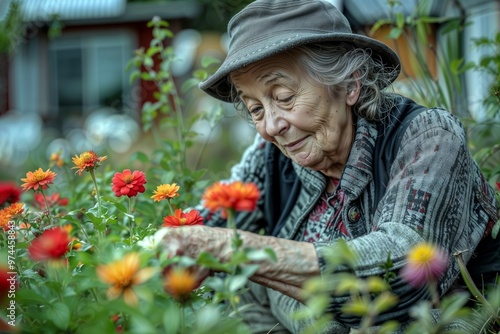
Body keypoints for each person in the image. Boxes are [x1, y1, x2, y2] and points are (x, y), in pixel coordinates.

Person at [162, 0, 500, 333]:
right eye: (255, 109)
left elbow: (403, 269)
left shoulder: (428, 136)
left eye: (283, 97)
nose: (271, 126)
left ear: (349, 84)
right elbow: (204, 226)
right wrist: (171, 248)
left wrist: (231, 250)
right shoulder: (271, 154)